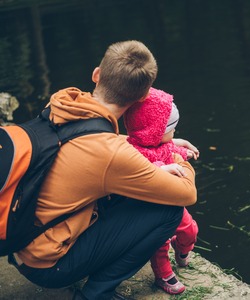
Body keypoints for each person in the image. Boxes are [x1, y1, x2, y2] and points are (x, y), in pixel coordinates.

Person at [8, 40, 197, 300]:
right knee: (169, 211)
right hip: (51, 267)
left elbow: (93, 148)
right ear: (143, 97)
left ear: (96, 74)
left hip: (22, 244)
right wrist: (177, 156)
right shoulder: (111, 155)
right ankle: (97, 294)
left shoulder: (63, 105)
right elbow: (186, 194)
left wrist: (159, 145)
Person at [123, 87, 199, 295]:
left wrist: (185, 150)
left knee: (190, 229)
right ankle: (163, 274)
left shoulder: (160, 143)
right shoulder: (133, 151)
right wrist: (162, 168)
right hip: (150, 209)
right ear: (154, 130)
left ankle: (182, 249)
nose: (174, 132)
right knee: (159, 243)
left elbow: (170, 147)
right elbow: (136, 171)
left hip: (172, 203)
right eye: (171, 128)